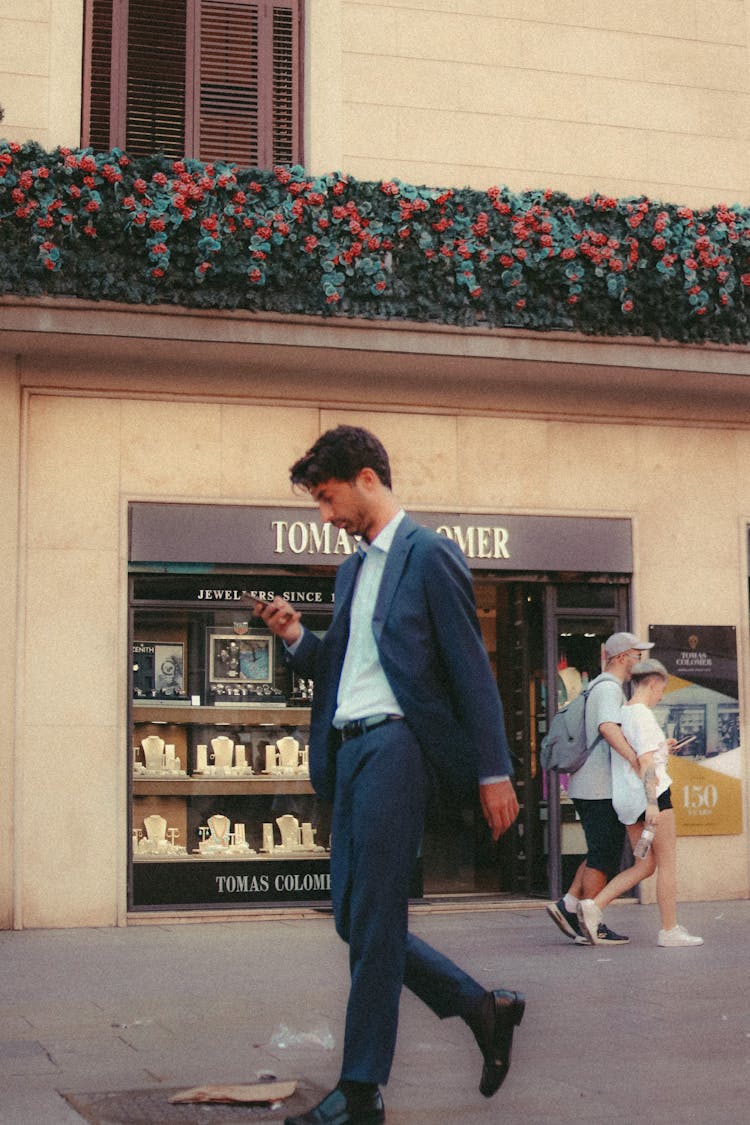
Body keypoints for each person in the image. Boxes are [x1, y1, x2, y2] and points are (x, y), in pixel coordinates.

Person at [252, 425, 524, 1125]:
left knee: (374, 919)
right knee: (354, 916)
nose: (325, 514)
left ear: (367, 477)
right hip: (350, 752)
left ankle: (362, 1088)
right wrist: (292, 637)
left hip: (399, 747)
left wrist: (494, 770)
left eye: (328, 495)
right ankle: (478, 1004)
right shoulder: (350, 571)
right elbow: (339, 666)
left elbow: (471, 670)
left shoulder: (428, 555)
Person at [577, 659, 703, 947]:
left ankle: (593, 906)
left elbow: (641, 753)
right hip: (653, 796)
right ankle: (669, 930)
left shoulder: (626, 712)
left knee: (644, 866)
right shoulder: (644, 716)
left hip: (628, 800)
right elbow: (646, 764)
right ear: (652, 683)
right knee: (668, 863)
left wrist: (662, 747)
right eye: (662, 689)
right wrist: (653, 804)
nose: (661, 695)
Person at [545, 631, 654, 946]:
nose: (639, 661)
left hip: (590, 785)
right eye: (637, 655)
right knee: (604, 856)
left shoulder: (599, 686)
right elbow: (607, 728)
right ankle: (591, 923)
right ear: (622, 657)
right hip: (598, 787)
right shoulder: (608, 688)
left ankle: (568, 905)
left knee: (598, 850)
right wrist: (635, 759)